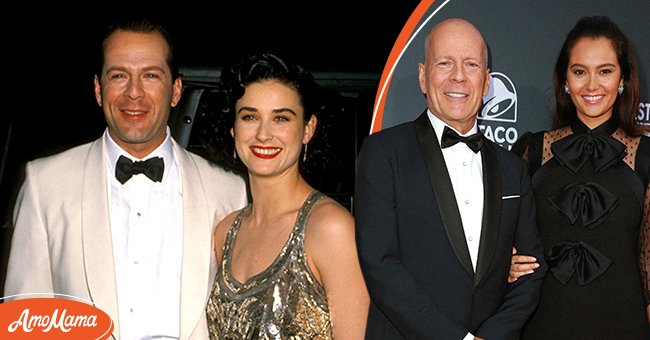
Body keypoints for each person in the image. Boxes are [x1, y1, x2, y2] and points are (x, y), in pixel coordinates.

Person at [4, 18, 247, 339]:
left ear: (175, 90)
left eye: (150, 76)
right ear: (98, 89)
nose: (134, 93)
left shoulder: (229, 190)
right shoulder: (44, 183)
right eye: (119, 75)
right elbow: (26, 322)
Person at [354, 18, 547, 340]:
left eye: (471, 65)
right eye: (445, 63)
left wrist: (493, 335)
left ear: (486, 83)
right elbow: (380, 262)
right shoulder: (383, 153)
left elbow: (531, 268)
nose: (458, 76)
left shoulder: (513, 167)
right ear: (422, 77)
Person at [205, 53, 369, 339]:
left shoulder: (329, 228)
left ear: (308, 128)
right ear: (233, 129)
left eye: (281, 118)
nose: (263, 134)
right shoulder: (224, 232)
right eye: (250, 117)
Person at [508, 15, 650, 339]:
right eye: (579, 71)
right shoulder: (531, 150)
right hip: (542, 325)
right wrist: (504, 263)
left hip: (623, 326)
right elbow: (500, 241)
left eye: (605, 71)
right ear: (564, 80)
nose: (591, 85)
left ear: (623, 78)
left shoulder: (645, 156)